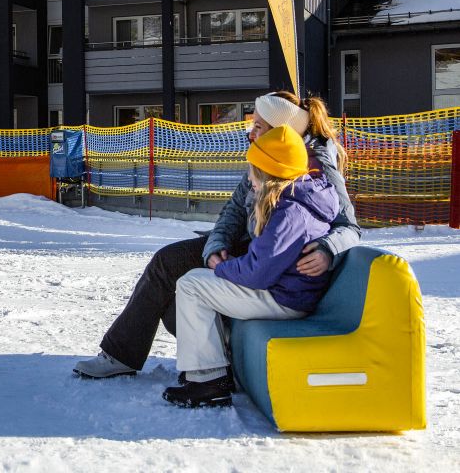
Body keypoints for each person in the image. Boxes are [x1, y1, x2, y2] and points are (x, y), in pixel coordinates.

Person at [74, 91, 360, 379]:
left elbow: (350, 227)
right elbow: (235, 208)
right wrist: (216, 244)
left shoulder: (318, 162)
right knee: (167, 264)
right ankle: (120, 355)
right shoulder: (265, 151)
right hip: (253, 246)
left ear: (281, 132)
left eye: (258, 126)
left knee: (183, 299)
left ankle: (216, 357)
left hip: (277, 262)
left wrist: (327, 249)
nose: (251, 131)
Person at [162, 125, 339, 408]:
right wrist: (229, 266)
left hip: (284, 299)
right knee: (195, 280)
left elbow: (258, 272)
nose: (249, 177)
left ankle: (208, 381)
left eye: (253, 170)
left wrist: (223, 268)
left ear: (270, 173)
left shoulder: (290, 212)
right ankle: (209, 371)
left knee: (191, 286)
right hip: (287, 291)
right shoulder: (296, 197)